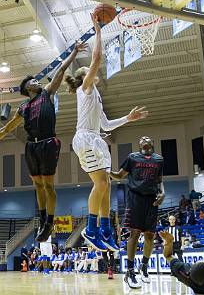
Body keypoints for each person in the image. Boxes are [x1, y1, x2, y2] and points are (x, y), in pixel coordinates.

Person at [65, 15, 148, 252]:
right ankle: (90, 228)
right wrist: (98, 31)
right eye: (89, 70)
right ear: (85, 76)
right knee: (101, 184)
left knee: (107, 185)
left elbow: (107, 126)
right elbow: (97, 57)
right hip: (85, 139)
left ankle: (104, 229)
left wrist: (128, 119)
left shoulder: (96, 98)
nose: (94, 70)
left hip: (94, 138)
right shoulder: (85, 87)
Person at [0, 41, 87, 242]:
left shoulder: (47, 93)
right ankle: (41, 219)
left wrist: (73, 53)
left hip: (48, 142)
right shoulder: (23, 107)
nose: (37, 81)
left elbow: (61, 70)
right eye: (33, 81)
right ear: (27, 88)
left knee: (48, 186)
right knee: (37, 186)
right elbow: (7, 128)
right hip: (31, 146)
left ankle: (49, 221)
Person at [110, 136, 164, 289]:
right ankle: (130, 271)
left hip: (152, 199)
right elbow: (120, 175)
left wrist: (163, 193)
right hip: (135, 198)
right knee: (134, 234)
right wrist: (107, 171)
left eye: (148, 137)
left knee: (150, 236)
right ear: (139, 144)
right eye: (141, 138)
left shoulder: (159, 160)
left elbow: (160, 180)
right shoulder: (132, 157)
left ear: (152, 143)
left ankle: (144, 266)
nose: (144, 138)